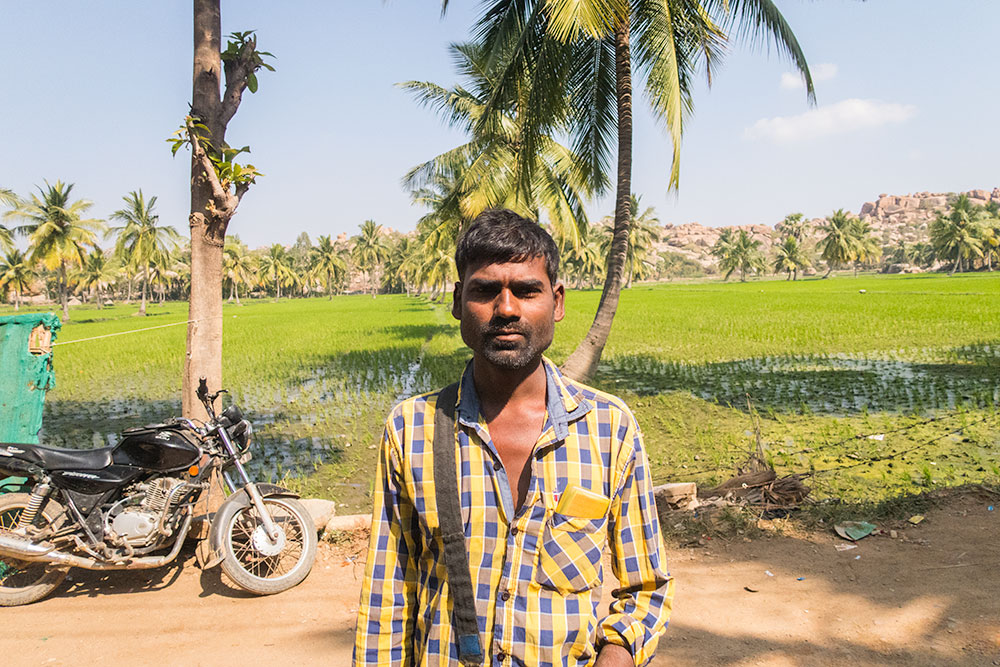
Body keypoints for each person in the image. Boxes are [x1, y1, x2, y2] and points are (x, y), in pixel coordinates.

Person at [353, 209, 673, 667]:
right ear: (458, 300)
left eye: (526, 290)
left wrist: (615, 657)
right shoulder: (411, 428)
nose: (506, 309)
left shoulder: (611, 428)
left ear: (557, 302)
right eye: (485, 291)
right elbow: (388, 594)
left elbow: (645, 589)